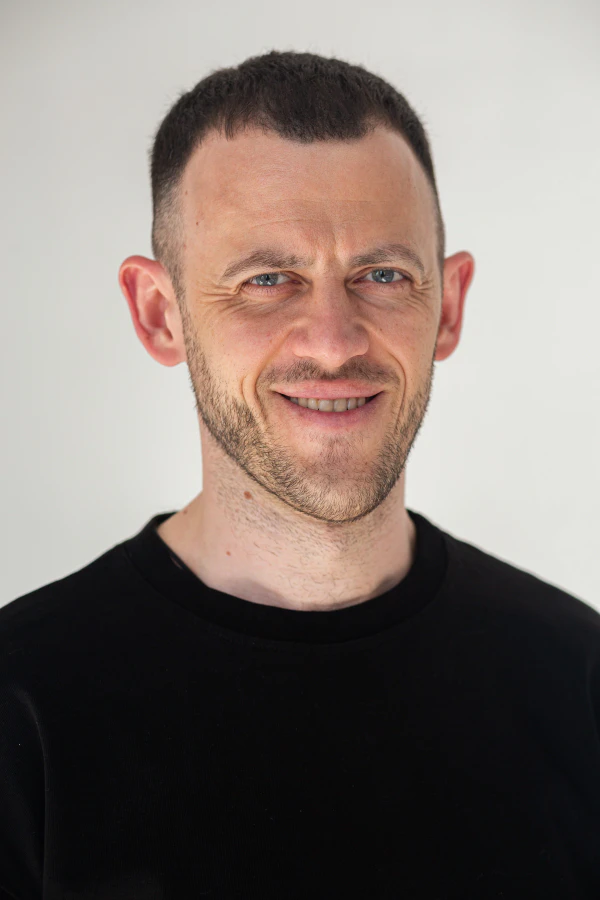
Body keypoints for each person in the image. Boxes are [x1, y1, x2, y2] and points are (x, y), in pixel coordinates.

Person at [1, 50, 598, 900]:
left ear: (449, 305)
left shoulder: (576, 678)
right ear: (160, 314)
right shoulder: (23, 700)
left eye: (382, 276)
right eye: (268, 280)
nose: (333, 340)